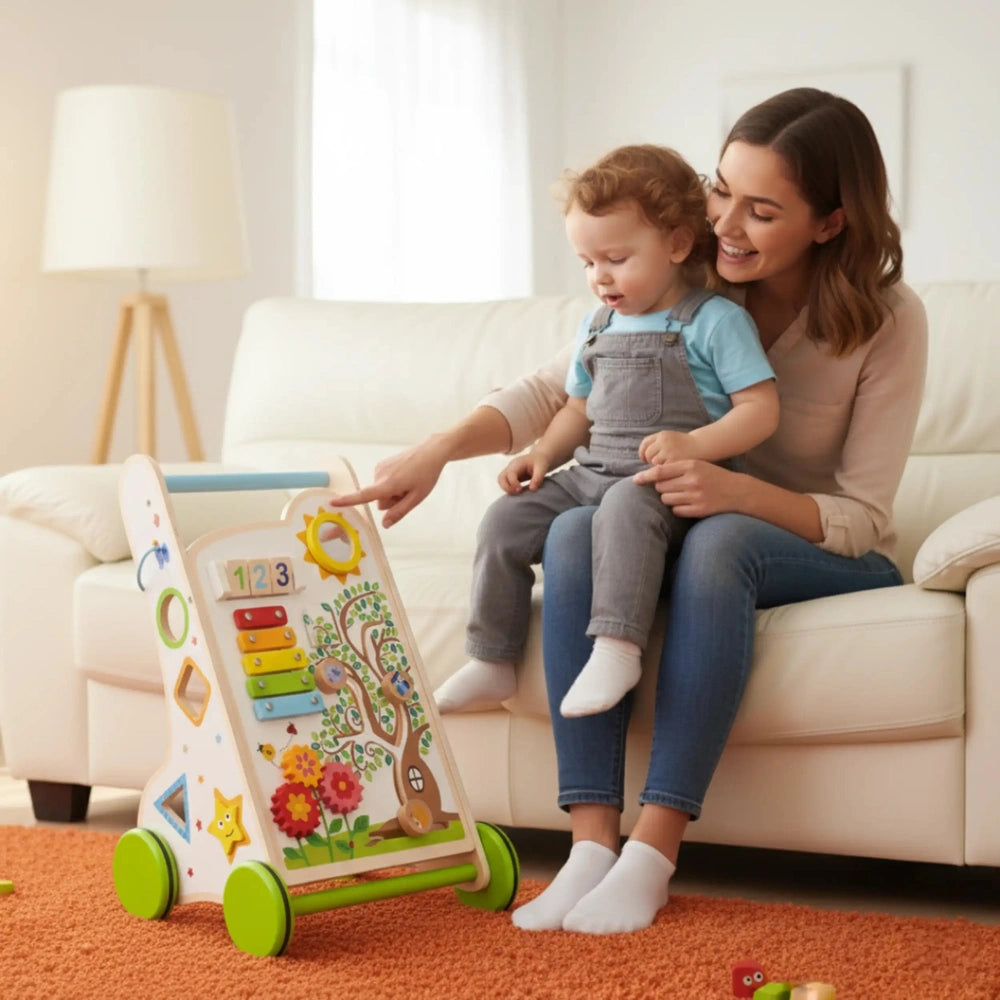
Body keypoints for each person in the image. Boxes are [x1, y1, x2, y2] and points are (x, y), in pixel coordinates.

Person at [333, 88, 928, 936]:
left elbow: (864, 514)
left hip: (806, 544)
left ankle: (653, 853)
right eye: (722, 190)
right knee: (576, 524)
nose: (725, 223)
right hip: (669, 516)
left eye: (761, 211)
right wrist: (437, 449)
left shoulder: (889, 322)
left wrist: (733, 491)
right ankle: (589, 848)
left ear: (829, 223)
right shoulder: (680, 278)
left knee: (721, 541)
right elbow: (558, 389)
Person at [435, 144, 778, 719]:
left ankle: (618, 649)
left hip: (669, 482)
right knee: (505, 518)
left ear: (676, 243)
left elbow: (761, 411)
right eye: (587, 262)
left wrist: (694, 446)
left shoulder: (714, 322)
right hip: (591, 472)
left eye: (616, 258)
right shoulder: (597, 326)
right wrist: (541, 454)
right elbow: (577, 410)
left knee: (623, 505)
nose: (599, 277)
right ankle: (493, 657)